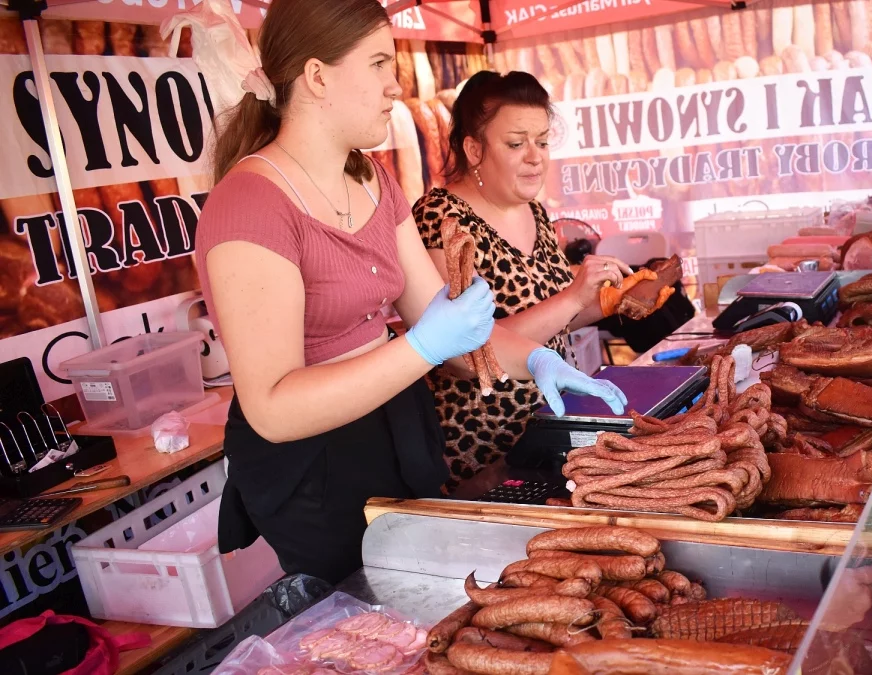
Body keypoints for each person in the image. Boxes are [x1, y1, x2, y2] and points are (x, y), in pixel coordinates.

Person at [194, 0, 625, 583]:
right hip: (314, 463)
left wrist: (535, 360)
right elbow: (272, 408)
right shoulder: (251, 202)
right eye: (378, 63)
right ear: (317, 76)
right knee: (367, 607)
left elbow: (450, 328)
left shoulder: (373, 178)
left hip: (396, 428)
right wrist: (421, 348)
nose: (395, 86)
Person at [413, 71, 654, 490]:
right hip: (485, 450)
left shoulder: (535, 211)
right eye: (516, 143)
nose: (535, 157)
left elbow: (551, 319)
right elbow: (460, 351)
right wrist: (572, 297)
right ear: (474, 149)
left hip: (550, 431)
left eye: (542, 142)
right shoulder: (441, 218)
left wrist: (611, 299)